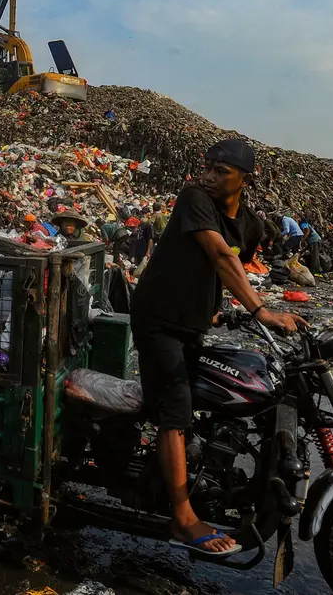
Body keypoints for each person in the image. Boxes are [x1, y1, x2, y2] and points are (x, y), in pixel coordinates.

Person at [129, 139, 306, 555]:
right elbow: (221, 256)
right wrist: (263, 312)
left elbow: (231, 267)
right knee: (176, 408)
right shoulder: (194, 198)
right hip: (157, 318)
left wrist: (218, 307)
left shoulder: (252, 225)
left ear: (246, 179)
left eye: (220, 171)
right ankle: (183, 518)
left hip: (191, 323)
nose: (207, 176)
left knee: (216, 389)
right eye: (206, 167)